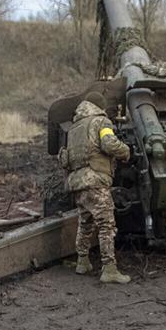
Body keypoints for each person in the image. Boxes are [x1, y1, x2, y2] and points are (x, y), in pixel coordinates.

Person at [60, 93, 133, 284]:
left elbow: (66, 159)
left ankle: (82, 262)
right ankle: (109, 269)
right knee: (106, 225)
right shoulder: (101, 122)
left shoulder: (75, 128)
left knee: (85, 222)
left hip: (78, 182)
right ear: (100, 107)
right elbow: (109, 144)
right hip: (95, 180)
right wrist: (125, 151)